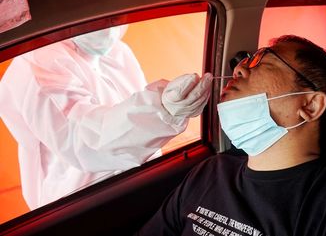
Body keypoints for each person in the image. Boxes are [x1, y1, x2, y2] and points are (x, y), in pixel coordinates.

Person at [136, 35, 326, 235]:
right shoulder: (210, 172)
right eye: (246, 62)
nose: (239, 68)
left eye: (264, 64)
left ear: (309, 105)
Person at [0, 25, 212, 209]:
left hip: (141, 182)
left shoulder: (118, 52)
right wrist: (162, 109)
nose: (112, 25)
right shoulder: (38, 64)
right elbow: (85, 142)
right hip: (80, 202)